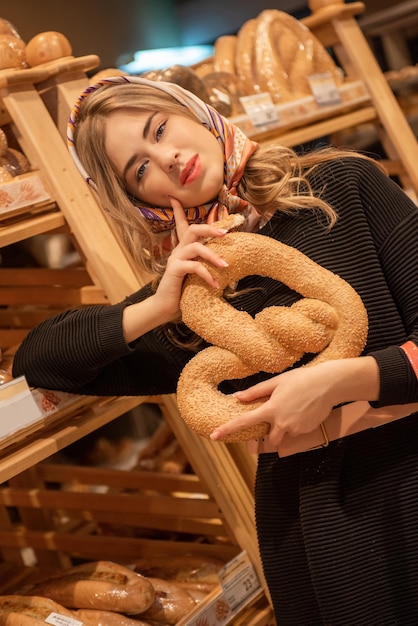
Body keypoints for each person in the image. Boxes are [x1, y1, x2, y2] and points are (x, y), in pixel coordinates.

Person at [12, 76, 418, 625]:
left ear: (195, 112)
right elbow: (40, 359)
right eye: (139, 168)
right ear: (139, 199)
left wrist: (342, 383)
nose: (167, 158)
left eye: (161, 129)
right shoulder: (200, 296)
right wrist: (159, 307)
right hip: (315, 530)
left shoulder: (340, 187)